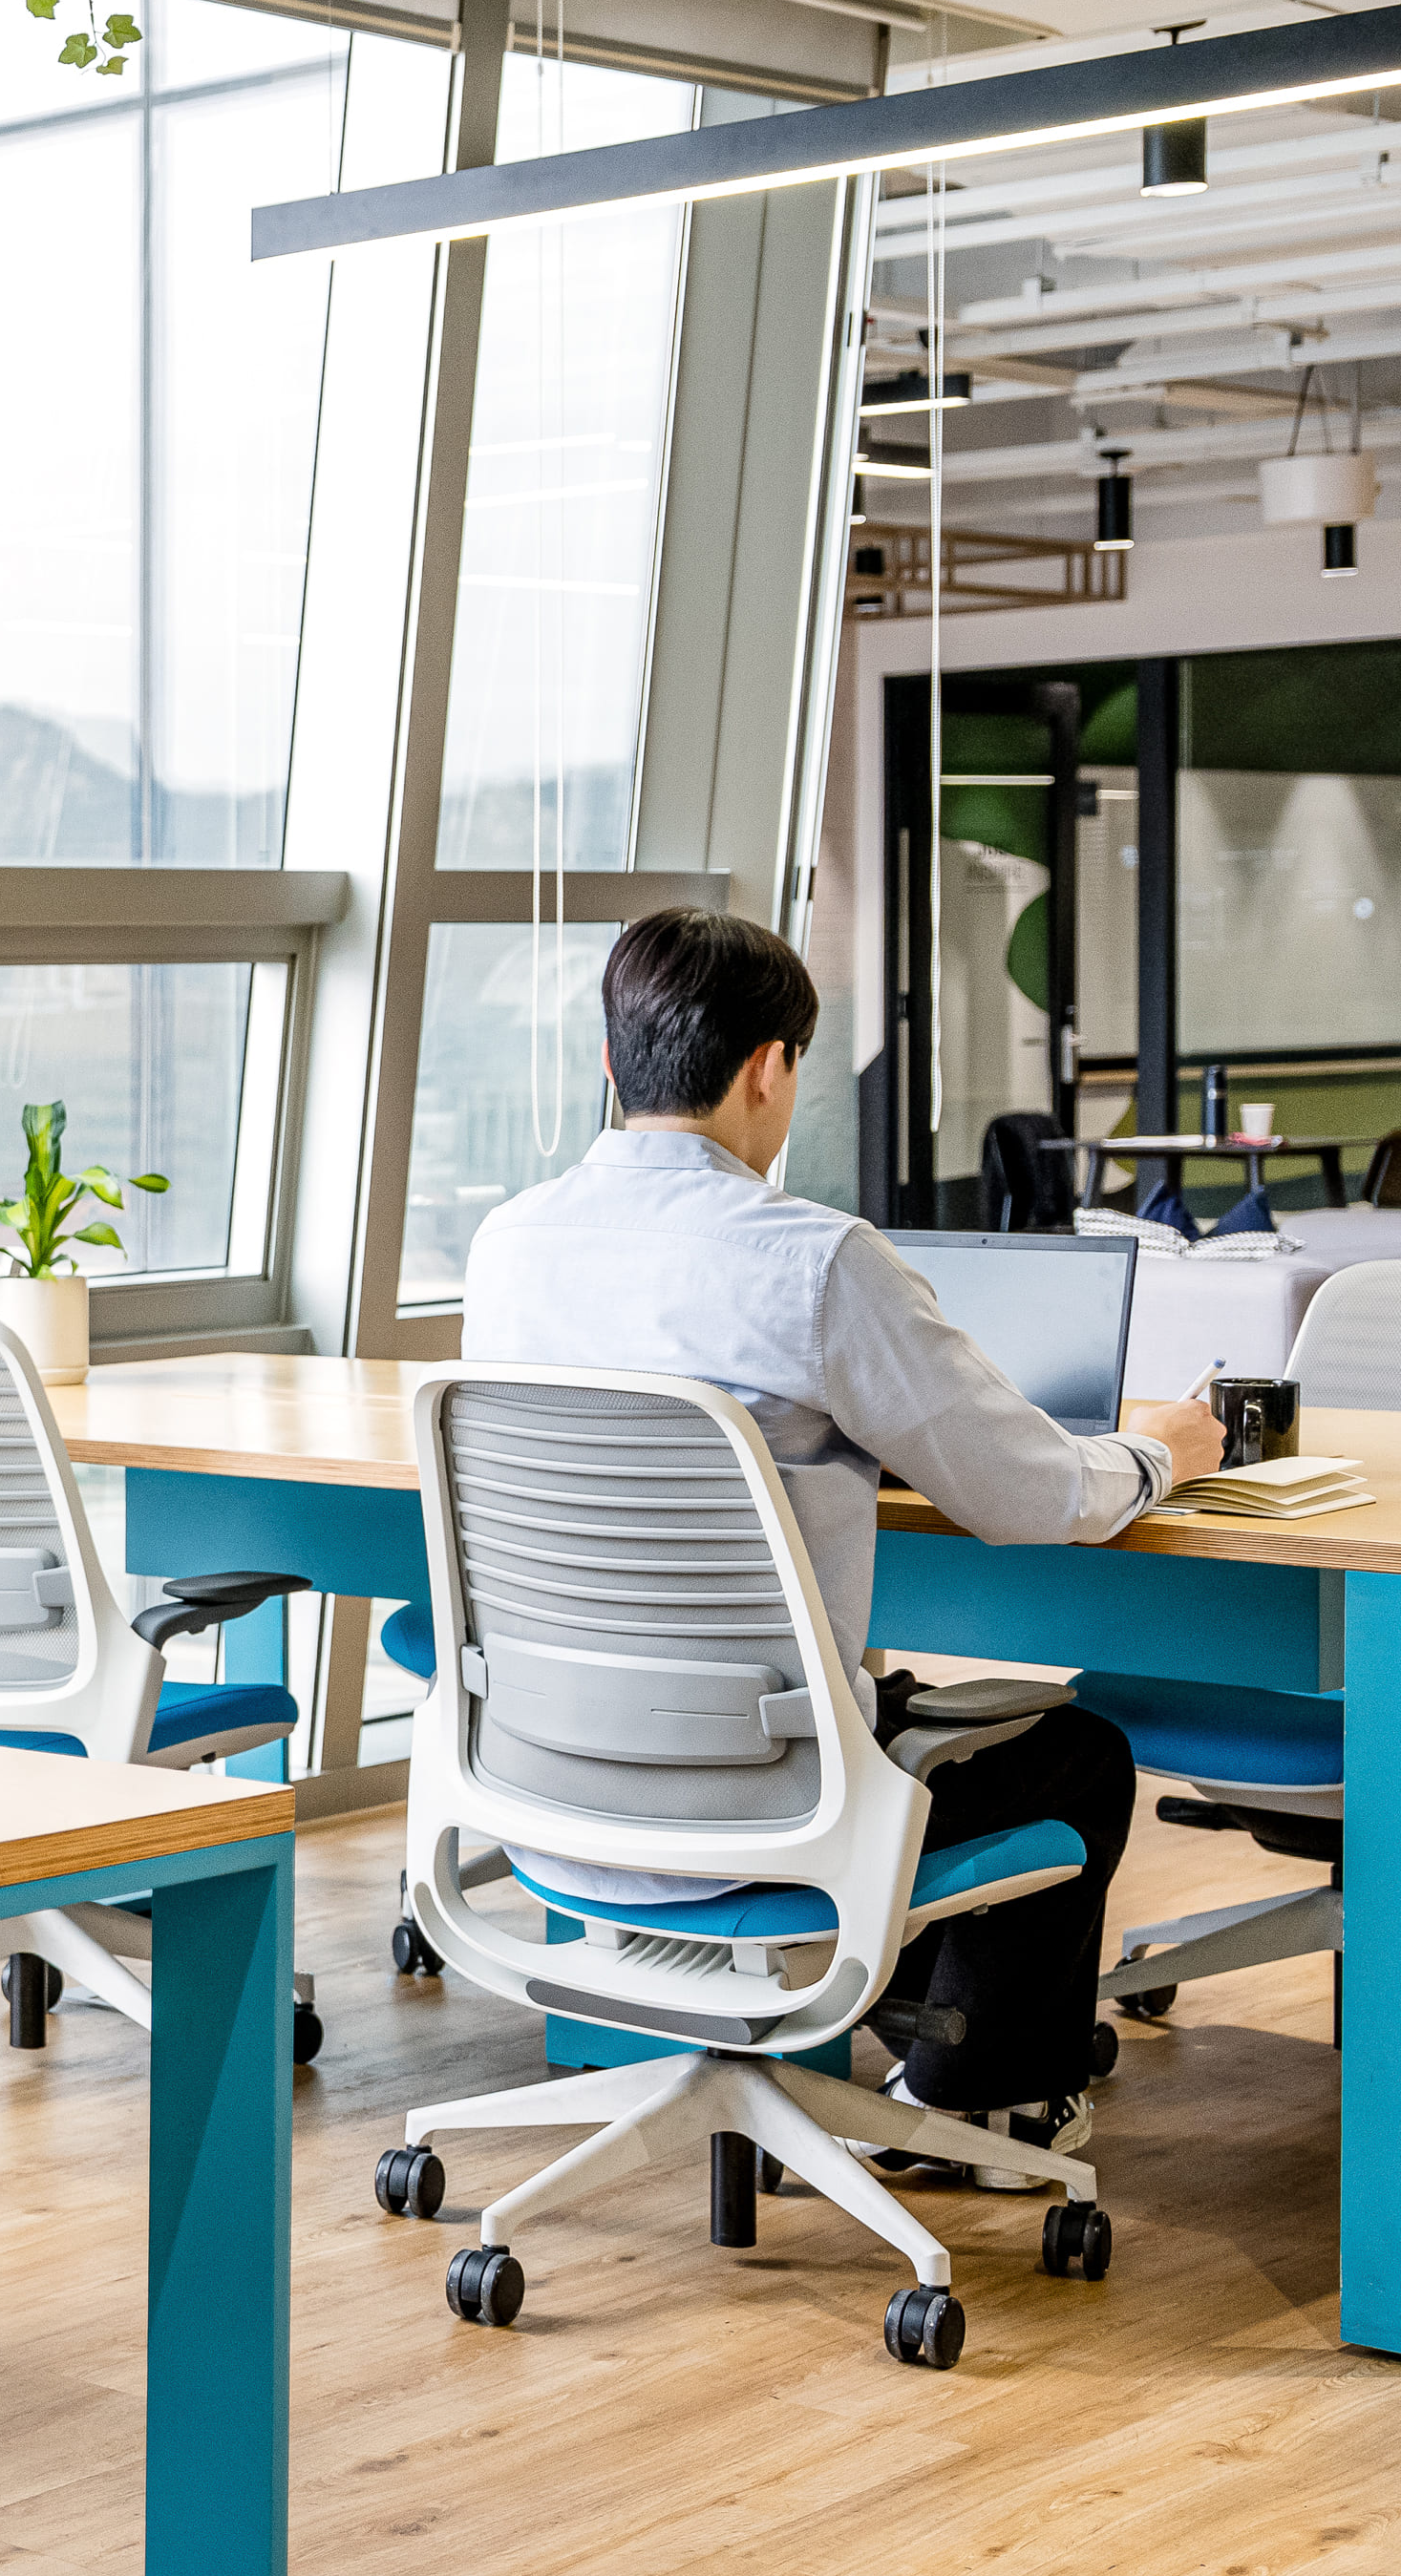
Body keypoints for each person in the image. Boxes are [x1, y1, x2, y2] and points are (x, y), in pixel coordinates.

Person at [463, 908, 1218, 2182]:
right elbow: (1030, 1496)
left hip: (553, 1787)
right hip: (765, 1800)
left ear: (609, 1059)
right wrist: (1158, 1453)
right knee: (1074, 1756)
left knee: (912, 1718)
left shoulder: (509, 1245)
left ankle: (924, 2028)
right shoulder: (813, 1261)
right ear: (770, 1067)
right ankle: (984, 2105)